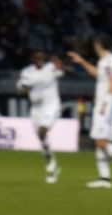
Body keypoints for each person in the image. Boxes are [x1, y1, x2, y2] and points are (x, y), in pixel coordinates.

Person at [68, 35, 112, 189]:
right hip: (103, 104)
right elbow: (97, 73)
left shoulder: (111, 62)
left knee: (101, 141)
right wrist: (82, 61)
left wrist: (105, 103)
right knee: (99, 142)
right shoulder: (104, 61)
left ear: (99, 45)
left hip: (108, 104)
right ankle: (105, 178)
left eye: (95, 44)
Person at [17, 50, 64, 183]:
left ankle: (51, 168)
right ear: (32, 59)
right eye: (37, 57)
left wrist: (61, 67)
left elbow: (64, 72)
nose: (40, 59)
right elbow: (20, 87)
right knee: (42, 139)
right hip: (36, 108)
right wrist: (26, 88)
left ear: (45, 59)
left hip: (51, 106)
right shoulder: (27, 72)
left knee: (43, 132)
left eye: (42, 57)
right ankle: (52, 165)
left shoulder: (51, 67)